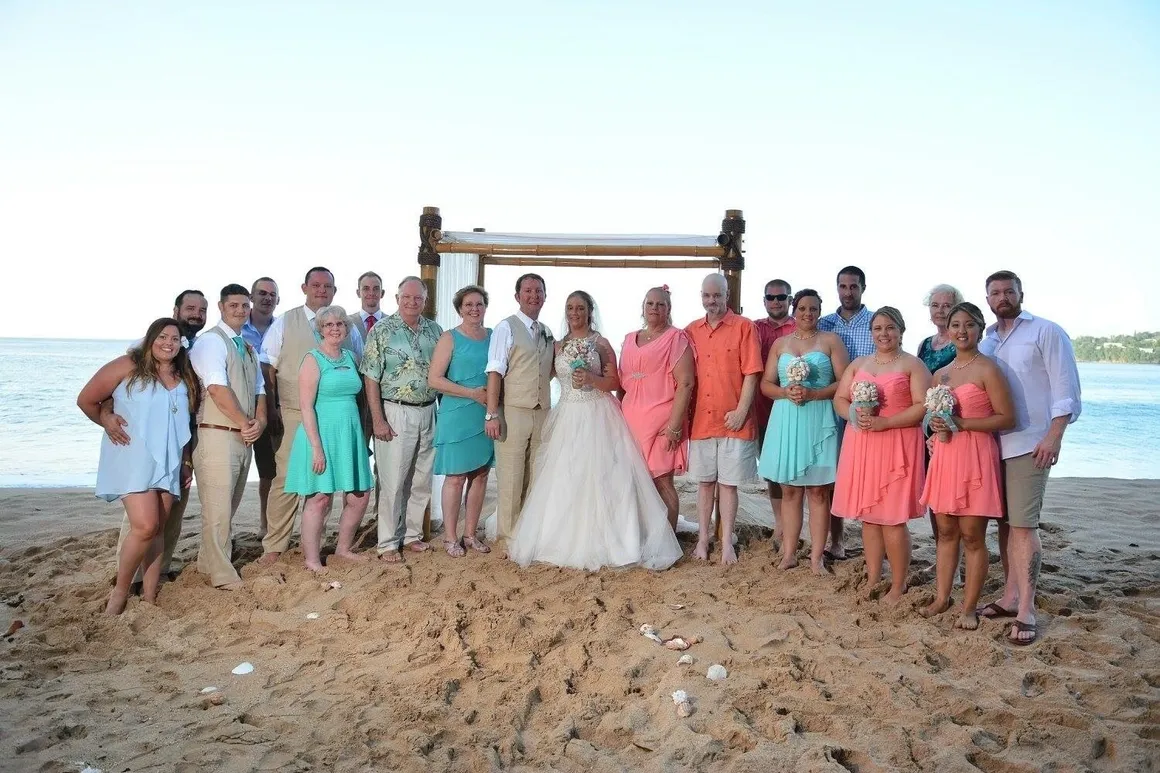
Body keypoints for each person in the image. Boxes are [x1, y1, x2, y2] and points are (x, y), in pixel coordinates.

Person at [508, 291, 682, 571]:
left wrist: (591, 378)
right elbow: (543, 374)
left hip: (598, 413)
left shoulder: (600, 343)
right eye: (570, 308)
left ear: (590, 311)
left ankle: (614, 539)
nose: (574, 312)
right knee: (565, 475)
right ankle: (561, 537)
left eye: (580, 307)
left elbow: (615, 381)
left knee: (604, 476)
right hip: (567, 413)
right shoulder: (558, 345)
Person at [977, 270, 1081, 645]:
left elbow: (1066, 389)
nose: (1002, 297)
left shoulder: (1046, 331)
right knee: (1005, 523)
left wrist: (1055, 436)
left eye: (1008, 291)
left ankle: (1027, 609)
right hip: (993, 445)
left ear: (1021, 293)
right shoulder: (986, 340)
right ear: (987, 298)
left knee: (1024, 526)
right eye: (995, 293)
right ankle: (1009, 595)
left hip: (1030, 444)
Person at [78, 318, 200, 614]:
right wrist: (105, 420)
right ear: (150, 338)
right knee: (145, 526)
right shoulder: (128, 365)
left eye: (174, 338)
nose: (168, 343)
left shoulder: (184, 376)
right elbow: (87, 400)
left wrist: (186, 461)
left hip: (169, 459)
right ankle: (119, 593)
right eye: (162, 337)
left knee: (158, 527)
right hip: (133, 456)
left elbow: (183, 423)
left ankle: (149, 595)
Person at [920, 302, 1015, 629]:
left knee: (973, 535)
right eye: (955, 325)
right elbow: (931, 418)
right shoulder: (940, 374)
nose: (961, 331)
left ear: (979, 328)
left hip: (975, 454)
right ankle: (941, 597)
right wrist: (934, 427)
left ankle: (969, 607)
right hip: (945, 455)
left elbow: (1006, 417)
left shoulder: (988, 369)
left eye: (969, 325)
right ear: (948, 329)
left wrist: (962, 423)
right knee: (945, 531)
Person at [105, 289, 208, 583]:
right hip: (146, 447)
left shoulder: (200, 348)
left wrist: (187, 457)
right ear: (176, 310)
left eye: (202, 310)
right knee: (141, 519)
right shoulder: (147, 347)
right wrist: (106, 415)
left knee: (172, 512)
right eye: (190, 308)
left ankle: (158, 571)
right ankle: (129, 576)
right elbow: (118, 390)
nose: (196, 314)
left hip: (181, 441)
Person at [260, 267, 361, 563]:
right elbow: (268, 366)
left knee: (327, 485)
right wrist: (273, 406)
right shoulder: (285, 322)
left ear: (334, 290)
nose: (321, 289)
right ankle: (275, 546)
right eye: (315, 285)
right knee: (287, 480)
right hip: (294, 411)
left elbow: (357, 366)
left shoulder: (347, 331)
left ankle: (326, 545)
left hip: (340, 419)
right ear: (304, 287)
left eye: (327, 286)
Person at [832, 306, 930, 604]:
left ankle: (898, 585)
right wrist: (852, 414)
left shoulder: (913, 365)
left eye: (890, 328)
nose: (884, 334)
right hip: (862, 443)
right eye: (878, 328)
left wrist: (885, 422)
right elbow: (840, 397)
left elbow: (921, 407)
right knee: (870, 518)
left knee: (892, 519)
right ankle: (874, 576)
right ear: (871, 332)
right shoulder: (859, 363)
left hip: (897, 443)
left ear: (901, 330)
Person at [757, 289, 849, 574]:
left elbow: (845, 382)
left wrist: (815, 393)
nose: (808, 314)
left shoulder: (831, 341)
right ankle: (789, 553)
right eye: (803, 308)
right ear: (794, 311)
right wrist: (786, 392)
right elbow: (766, 385)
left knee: (819, 492)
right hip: (786, 418)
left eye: (813, 309)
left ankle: (817, 557)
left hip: (818, 417)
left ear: (820, 312)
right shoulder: (781, 344)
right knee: (789, 490)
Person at [189, 284, 267, 590]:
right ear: (222, 307)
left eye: (245, 305)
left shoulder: (246, 346)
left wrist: (258, 422)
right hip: (217, 435)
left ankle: (206, 564)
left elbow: (260, 389)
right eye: (233, 305)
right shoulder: (212, 342)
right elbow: (217, 389)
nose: (240, 310)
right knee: (218, 509)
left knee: (227, 507)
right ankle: (222, 575)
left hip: (242, 436)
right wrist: (244, 423)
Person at [284, 305, 373, 571]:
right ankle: (312, 560)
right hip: (320, 433)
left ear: (347, 328)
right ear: (320, 329)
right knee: (320, 498)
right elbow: (306, 406)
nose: (335, 329)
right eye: (328, 325)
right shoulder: (312, 359)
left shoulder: (351, 357)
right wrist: (316, 448)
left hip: (350, 433)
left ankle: (343, 549)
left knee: (360, 496)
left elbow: (361, 397)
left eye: (340, 324)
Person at [361, 276, 443, 562]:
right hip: (395, 410)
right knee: (393, 480)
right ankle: (387, 542)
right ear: (397, 299)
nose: (412, 302)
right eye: (406, 297)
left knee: (421, 478)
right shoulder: (382, 331)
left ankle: (411, 535)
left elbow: (443, 375)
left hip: (429, 409)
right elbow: (371, 378)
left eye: (417, 298)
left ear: (424, 300)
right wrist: (378, 420)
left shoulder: (436, 331)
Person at [684, 273, 763, 565]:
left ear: (726, 295)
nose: (712, 301)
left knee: (729, 485)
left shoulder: (745, 327)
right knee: (705, 484)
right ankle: (703, 540)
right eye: (707, 296)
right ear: (701, 296)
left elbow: (752, 372)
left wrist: (742, 411)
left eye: (717, 296)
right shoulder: (691, 330)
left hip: (734, 420)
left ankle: (727, 541)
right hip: (702, 420)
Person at [484, 274, 554, 549]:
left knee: (535, 476)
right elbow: (495, 370)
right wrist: (492, 413)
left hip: (542, 412)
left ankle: (527, 533)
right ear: (517, 296)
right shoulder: (506, 327)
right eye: (528, 291)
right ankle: (508, 537)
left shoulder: (547, 331)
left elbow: (546, 371)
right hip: (512, 410)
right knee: (511, 477)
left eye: (539, 291)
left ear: (545, 297)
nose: (534, 295)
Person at [618, 286, 695, 530]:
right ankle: (642, 536)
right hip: (632, 422)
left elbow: (686, 382)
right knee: (636, 482)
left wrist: (674, 426)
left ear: (669, 309)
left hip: (663, 422)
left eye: (660, 304)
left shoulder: (676, 338)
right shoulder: (630, 339)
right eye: (650, 303)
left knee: (662, 482)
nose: (654, 308)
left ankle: (668, 542)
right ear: (643, 307)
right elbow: (622, 383)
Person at [428, 285, 495, 556]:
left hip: (485, 413)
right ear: (459, 309)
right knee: (455, 477)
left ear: (485, 307)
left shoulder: (493, 336)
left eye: (479, 304)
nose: (474, 309)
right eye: (468, 304)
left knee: (480, 475)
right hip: (457, 413)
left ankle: (470, 534)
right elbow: (434, 379)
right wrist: (471, 393)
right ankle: (450, 537)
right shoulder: (449, 338)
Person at [818, 265, 873, 560]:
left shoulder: (876, 323)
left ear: (863, 287)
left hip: (869, 411)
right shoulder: (824, 324)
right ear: (836, 288)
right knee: (831, 476)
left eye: (853, 286)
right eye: (843, 286)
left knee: (868, 473)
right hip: (831, 408)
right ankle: (836, 540)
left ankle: (872, 539)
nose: (847, 292)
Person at [753, 279, 796, 543]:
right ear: (765, 300)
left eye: (781, 297)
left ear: (790, 300)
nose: (776, 302)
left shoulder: (801, 325)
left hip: (797, 407)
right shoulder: (755, 329)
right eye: (771, 297)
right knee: (771, 469)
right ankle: (780, 524)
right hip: (764, 407)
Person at [242, 276, 280, 536]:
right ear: (252, 298)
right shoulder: (236, 329)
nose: (267, 298)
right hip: (244, 408)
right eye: (262, 293)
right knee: (244, 472)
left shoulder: (283, 328)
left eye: (272, 294)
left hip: (277, 407)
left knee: (273, 471)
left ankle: (270, 526)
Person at [917, 284, 963, 373]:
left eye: (946, 306)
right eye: (935, 305)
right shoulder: (924, 344)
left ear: (957, 309)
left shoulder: (962, 341)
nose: (940, 311)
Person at [347, 271, 385, 340]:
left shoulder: (394, 325)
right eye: (366, 289)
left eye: (376, 289)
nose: (371, 293)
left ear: (382, 293)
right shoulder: (346, 324)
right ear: (358, 293)